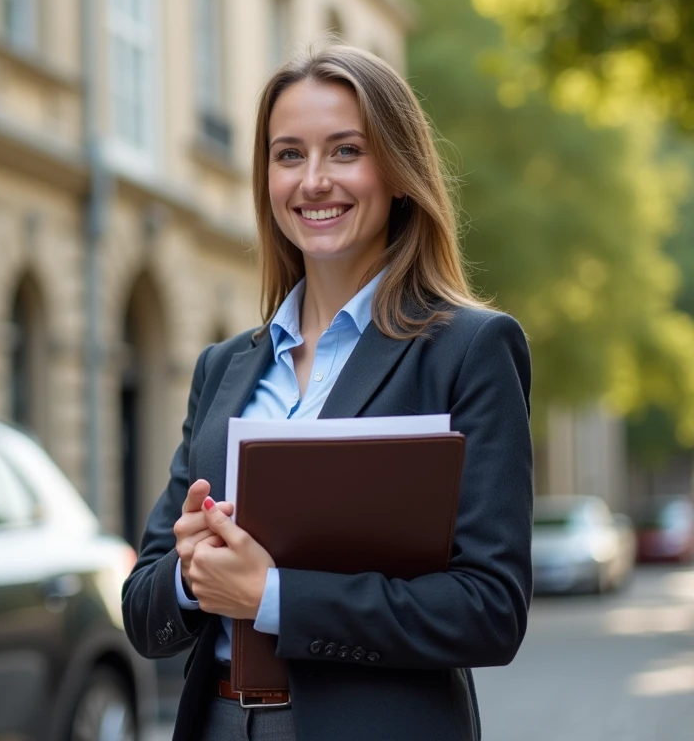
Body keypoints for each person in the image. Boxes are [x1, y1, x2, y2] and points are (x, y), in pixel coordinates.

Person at [121, 43, 532, 741]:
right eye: (288, 155)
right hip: (218, 723)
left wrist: (274, 597)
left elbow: (490, 610)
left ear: (399, 172)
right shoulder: (223, 368)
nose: (314, 180)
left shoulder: (469, 349)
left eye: (345, 151)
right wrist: (191, 576)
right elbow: (143, 610)